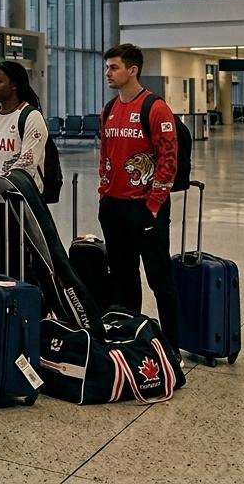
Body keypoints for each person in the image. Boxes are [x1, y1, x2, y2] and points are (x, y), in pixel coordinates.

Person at [99, 43, 180, 349]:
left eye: (114, 67)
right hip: (114, 206)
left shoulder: (155, 108)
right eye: (107, 67)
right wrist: (104, 194)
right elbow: (105, 155)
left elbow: (168, 160)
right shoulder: (108, 109)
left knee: (160, 281)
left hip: (146, 210)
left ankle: (172, 346)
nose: (108, 73)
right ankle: (129, 337)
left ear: (132, 70)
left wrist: (154, 205)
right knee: (124, 277)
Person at [0, 62, 49, 277]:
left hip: (21, 203)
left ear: (14, 84)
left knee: (22, 263)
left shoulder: (31, 116)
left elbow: (24, 165)